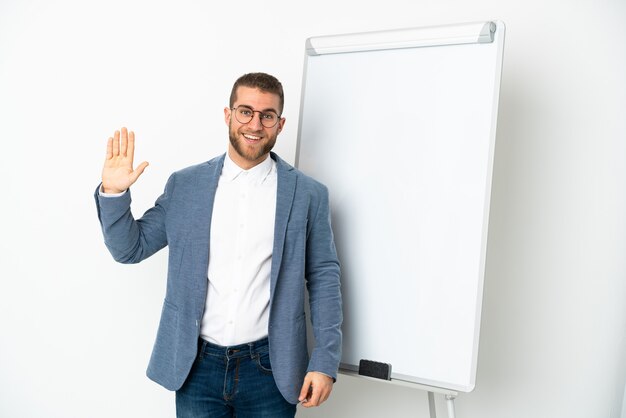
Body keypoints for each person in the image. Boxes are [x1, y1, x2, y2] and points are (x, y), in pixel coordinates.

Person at [94, 72, 342, 417]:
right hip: (197, 367)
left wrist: (325, 361)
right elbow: (130, 249)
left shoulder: (308, 194)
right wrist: (114, 192)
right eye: (245, 111)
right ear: (228, 115)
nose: (255, 124)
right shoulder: (186, 185)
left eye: (267, 115)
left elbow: (323, 277)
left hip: (271, 369)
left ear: (280, 124)